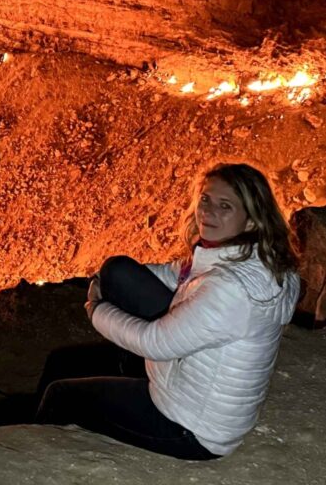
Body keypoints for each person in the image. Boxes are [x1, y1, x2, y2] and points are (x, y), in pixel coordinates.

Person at [36, 163, 301, 459]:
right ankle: (128, 371)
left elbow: (154, 342)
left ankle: (38, 455)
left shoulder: (230, 290)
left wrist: (96, 309)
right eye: (206, 199)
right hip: (190, 387)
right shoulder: (252, 256)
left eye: (225, 206)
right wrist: (102, 279)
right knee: (118, 272)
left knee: (59, 392)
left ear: (252, 221)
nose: (208, 212)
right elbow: (177, 275)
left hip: (189, 427)